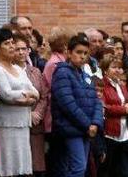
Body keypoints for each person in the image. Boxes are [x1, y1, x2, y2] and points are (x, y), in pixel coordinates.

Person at [51, 34, 104, 177]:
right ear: (69, 53)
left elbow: (96, 100)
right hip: (71, 129)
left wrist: (95, 123)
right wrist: (88, 125)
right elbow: (68, 104)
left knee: (81, 167)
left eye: (85, 53)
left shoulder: (85, 75)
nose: (82, 56)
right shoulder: (62, 73)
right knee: (78, 168)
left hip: (86, 130)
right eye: (78, 52)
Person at [0, 29, 40, 177]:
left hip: (23, 123)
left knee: (21, 167)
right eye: (7, 43)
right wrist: (27, 96)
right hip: (6, 124)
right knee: (6, 167)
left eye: (13, 42)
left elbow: (36, 92)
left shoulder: (18, 68)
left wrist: (27, 97)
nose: (12, 46)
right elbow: (6, 94)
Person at [16, 34, 50, 176]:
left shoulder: (35, 71)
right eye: (17, 49)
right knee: (18, 167)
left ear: (29, 50)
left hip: (35, 126)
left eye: (24, 49)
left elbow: (44, 95)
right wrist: (27, 114)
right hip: (17, 123)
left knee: (35, 167)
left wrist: (38, 113)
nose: (21, 52)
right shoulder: (7, 70)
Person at [99, 56, 128, 177]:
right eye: (113, 67)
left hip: (124, 132)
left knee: (123, 170)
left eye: (119, 68)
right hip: (110, 133)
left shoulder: (121, 85)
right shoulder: (102, 85)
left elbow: (125, 102)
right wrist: (124, 109)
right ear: (105, 70)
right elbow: (104, 107)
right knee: (107, 169)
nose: (117, 70)